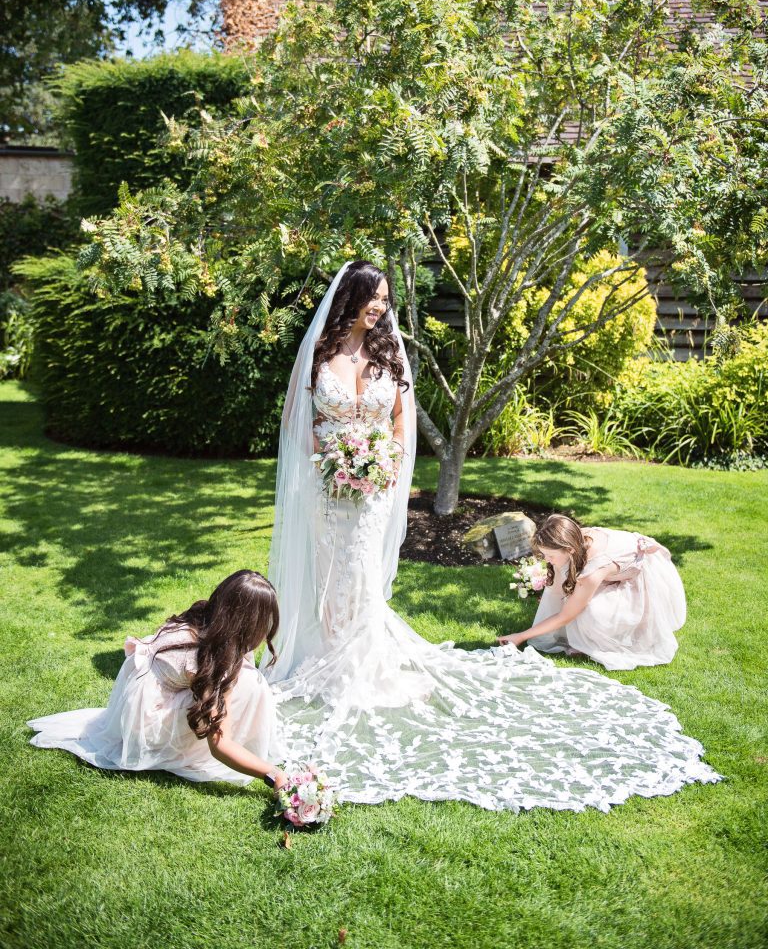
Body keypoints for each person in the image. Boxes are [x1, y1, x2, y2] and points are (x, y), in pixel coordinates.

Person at [264, 260, 720, 813]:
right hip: (328, 488)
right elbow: (297, 421)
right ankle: (326, 653)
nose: (381, 307)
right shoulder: (318, 355)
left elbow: (401, 426)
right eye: (375, 297)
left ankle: (359, 660)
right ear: (352, 297)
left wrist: (380, 464)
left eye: (386, 298)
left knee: (360, 571)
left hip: (375, 489)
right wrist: (335, 460)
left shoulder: (389, 354)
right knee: (327, 570)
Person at [28, 570, 286, 789]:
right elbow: (220, 745)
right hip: (145, 723)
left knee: (245, 680)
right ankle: (188, 748)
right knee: (247, 685)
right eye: (264, 622)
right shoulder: (207, 659)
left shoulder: (209, 621)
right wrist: (273, 775)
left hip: (140, 699)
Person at [498, 516, 687, 670]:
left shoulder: (593, 572)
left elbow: (566, 616)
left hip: (641, 574)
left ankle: (603, 639)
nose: (547, 560)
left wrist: (521, 636)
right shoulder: (572, 537)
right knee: (563, 584)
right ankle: (575, 635)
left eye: (550, 556)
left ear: (569, 550)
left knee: (591, 613)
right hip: (610, 567)